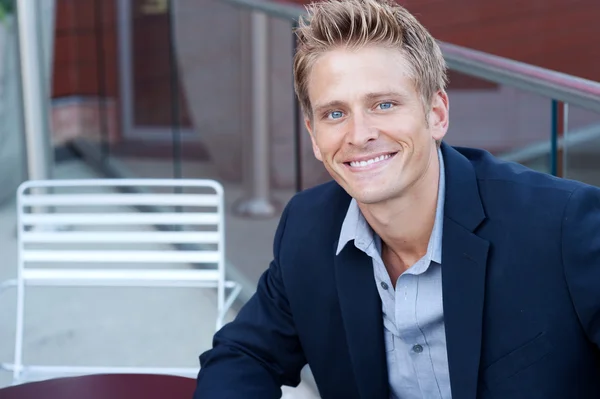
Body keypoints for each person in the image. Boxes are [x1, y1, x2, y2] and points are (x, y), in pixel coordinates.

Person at [193, 0, 600, 397]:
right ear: (314, 135)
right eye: (335, 114)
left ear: (436, 114)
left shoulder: (565, 226)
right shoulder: (308, 229)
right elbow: (244, 355)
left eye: (384, 104)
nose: (359, 134)